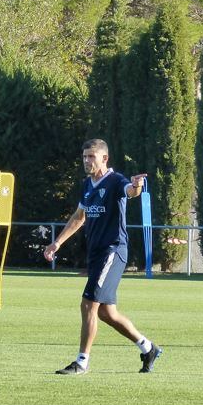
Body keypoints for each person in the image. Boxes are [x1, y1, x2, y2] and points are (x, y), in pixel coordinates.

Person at [43, 139, 162, 375]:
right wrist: (57, 242)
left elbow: (131, 192)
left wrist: (137, 186)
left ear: (104, 159)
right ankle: (148, 348)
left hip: (113, 250)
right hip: (97, 254)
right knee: (107, 313)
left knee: (88, 304)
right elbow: (79, 216)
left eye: (92, 157)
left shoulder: (116, 181)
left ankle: (82, 361)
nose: (87, 161)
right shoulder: (87, 184)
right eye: (85, 156)